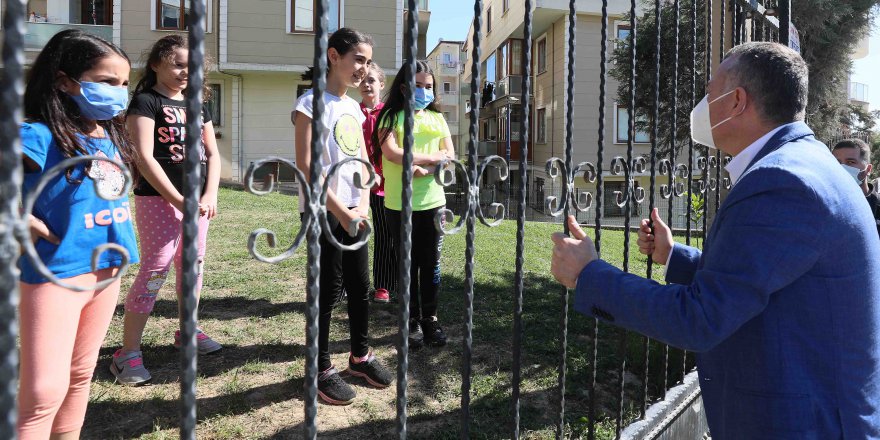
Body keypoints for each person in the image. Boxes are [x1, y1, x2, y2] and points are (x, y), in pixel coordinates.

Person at [550, 42, 880, 439]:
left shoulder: (782, 180)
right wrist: (674, 257)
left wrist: (589, 274)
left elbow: (701, 319)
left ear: (737, 100)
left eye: (710, 93)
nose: (703, 105)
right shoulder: (804, 163)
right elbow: (765, 277)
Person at [17, 29, 140, 439]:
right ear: (64, 81)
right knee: (41, 393)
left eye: (123, 84)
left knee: (79, 374)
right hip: (56, 274)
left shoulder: (111, 135)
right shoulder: (35, 135)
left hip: (108, 270)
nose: (118, 93)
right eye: (106, 82)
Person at [110, 35, 223, 386]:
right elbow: (144, 158)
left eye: (192, 67)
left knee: (192, 268)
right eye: (177, 64)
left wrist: (210, 195)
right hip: (158, 202)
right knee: (156, 269)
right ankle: (126, 352)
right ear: (157, 63)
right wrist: (178, 201)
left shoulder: (197, 106)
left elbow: (212, 155)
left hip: (197, 207)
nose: (185, 72)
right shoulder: (145, 102)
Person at [292, 27, 393, 405]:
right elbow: (306, 166)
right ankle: (320, 370)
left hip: (356, 211)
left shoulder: (352, 106)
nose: (364, 69)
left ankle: (360, 357)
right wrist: (341, 211)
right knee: (327, 291)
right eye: (358, 60)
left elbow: (365, 163)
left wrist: (363, 206)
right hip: (324, 211)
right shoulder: (310, 104)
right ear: (334, 56)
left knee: (359, 286)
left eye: (368, 62)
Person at [375, 60, 454, 349]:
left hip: (434, 203)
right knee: (407, 265)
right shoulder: (391, 116)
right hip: (400, 204)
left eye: (429, 86)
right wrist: (428, 159)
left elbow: (449, 153)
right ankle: (409, 321)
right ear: (404, 87)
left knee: (431, 265)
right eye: (418, 86)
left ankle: (430, 319)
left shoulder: (437, 118)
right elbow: (392, 152)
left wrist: (427, 167)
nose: (424, 91)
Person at [359, 62, 398, 304]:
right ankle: (345, 284)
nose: (366, 84)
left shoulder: (390, 114)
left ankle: (383, 285)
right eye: (362, 79)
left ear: (381, 85)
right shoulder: (352, 111)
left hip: (386, 183)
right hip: (357, 184)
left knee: (386, 235)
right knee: (352, 233)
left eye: (371, 80)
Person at [832, 138, 880, 236]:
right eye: (837, 162)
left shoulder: (877, 206)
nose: (841, 168)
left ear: (868, 169)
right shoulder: (827, 205)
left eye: (850, 162)